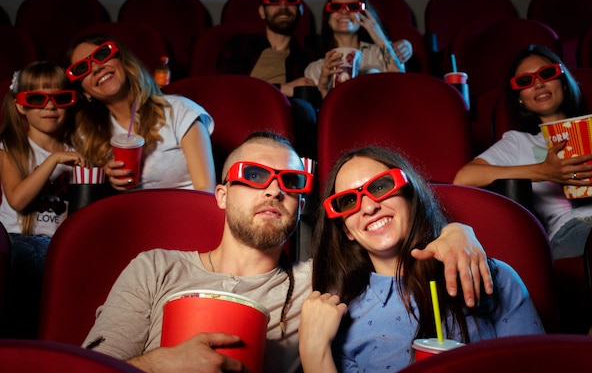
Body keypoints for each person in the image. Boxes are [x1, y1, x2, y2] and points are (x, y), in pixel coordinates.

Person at [82, 131, 493, 373]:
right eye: (255, 176)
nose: (275, 189)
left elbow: (395, 251)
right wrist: (156, 365)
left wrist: (454, 232)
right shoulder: (156, 268)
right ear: (221, 195)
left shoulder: (324, 282)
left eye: (291, 180)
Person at [298, 146, 544, 373]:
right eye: (348, 201)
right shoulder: (340, 316)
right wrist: (313, 351)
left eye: (380, 186)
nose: (368, 207)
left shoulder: (490, 277)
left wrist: (457, 229)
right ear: (347, 230)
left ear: (409, 196)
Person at [453, 45, 592, 259]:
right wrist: (543, 171)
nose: (538, 84)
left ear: (563, 81)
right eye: (525, 81)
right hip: (570, 232)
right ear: (519, 97)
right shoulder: (519, 142)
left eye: (547, 73)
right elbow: (464, 178)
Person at [217, 0, 411, 158]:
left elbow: (401, 86)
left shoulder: (307, 55)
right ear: (261, 10)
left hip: (373, 124)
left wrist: (388, 41)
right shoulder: (241, 44)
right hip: (241, 111)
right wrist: (284, 88)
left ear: (301, 10)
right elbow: (229, 88)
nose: (283, 5)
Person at [0, 61, 86, 338]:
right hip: (17, 242)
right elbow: (17, 199)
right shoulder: (10, 148)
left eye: (60, 99)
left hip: (60, 245)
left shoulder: (78, 151)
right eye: (37, 99)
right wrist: (54, 161)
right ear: (20, 105)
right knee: (36, 256)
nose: (50, 107)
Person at [66, 35, 216, 192]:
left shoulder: (179, 111)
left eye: (102, 55)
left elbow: (206, 189)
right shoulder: (89, 138)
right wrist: (105, 179)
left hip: (187, 211)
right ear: (84, 93)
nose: (96, 68)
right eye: (82, 68)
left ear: (122, 61)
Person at [304, 0, 406, 98]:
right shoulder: (315, 68)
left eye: (353, 7)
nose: (344, 12)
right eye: (336, 7)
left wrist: (381, 39)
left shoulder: (382, 53)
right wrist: (323, 88)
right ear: (328, 19)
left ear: (364, 15)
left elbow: (401, 87)